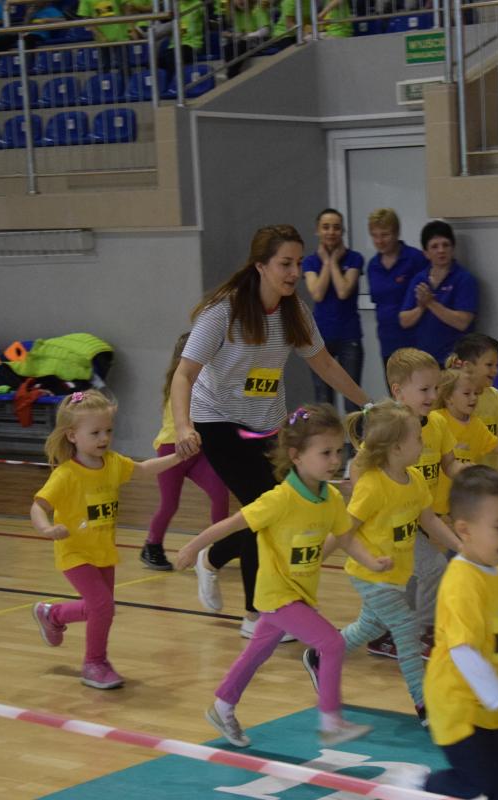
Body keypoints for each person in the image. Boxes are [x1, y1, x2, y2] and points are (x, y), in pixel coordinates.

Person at [170, 224, 368, 638]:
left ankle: (213, 557)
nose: (294, 273)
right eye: (285, 264)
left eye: (298, 263)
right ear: (260, 266)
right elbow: (184, 374)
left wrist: (367, 404)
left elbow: (325, 364)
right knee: (265, 511)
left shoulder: (295, 312)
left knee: (275, 509)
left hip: (266, 424)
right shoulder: (223, 312)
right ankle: (255, 615)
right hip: (218, 422)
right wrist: (184, 425)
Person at [174, 404, 383, 747]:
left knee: (255, 653)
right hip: (277, 595)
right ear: (296, 456)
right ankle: (331, 721)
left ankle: (222, 706)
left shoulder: (330, 497)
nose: (335, 460)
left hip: (299, 594)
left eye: (338, 451)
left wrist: (372, 563)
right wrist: (192, 548)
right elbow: (233, 524)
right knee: (331, 644)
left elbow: (346, 537)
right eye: (325, 452)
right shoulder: (279, 499)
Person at [303, 400, 462, 726]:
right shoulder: (372, 486)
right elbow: (345, 529)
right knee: (405, 629)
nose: (423, 443)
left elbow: (430, 521)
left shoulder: (415, 479)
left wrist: (461, 547)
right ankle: (423, 703)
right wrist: (313, 562)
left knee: (371, 626)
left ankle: (320, 656)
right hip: (368, 574)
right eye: (418, 438)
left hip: (396, 574)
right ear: (396, 447)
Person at [405, 466, 498, 799]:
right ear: (464, 530)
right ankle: (418, 785)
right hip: (457, 703)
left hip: (492, 699)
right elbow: (463, 650)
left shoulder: (496, 570)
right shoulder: (461, 582)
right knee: (475, 780)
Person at [30, 390, 183, 689]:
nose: (104, 438)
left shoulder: (112, 463)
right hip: (75, 552)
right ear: (72, 436)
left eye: (108, 431)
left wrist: (179, 456)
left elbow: (143, 470)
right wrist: (46, 529)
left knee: (99, 608)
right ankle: (94, 664)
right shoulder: (66, 475)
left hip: (103, 551)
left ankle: (53, 614)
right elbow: (39, 506)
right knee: (102, 606)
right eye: (95, 432)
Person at [363, 347, 464, 659]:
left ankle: (386, 634)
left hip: (420, 518)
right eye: (424, 389)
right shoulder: (387, 428)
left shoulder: (438, 424)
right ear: (398, 391)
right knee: (433, 568)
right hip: (390, 525)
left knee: (405, 580)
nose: (433, 395)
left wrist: (473, 476)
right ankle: (421, 631)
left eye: (436, 388)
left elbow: (450, 463)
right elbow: (361, 465)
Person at [141, 332, 230, 571]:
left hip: (197, 452)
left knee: (219, 492)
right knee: (169, 504)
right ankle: (151, 545)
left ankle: (221, 544)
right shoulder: (179, 385)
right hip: (172, 450)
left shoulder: (209, 383)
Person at [429, 368, 498, 518]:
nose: (473, 398)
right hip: (437, 497)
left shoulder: (476, 424)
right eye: (467, 393)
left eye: (476, 393)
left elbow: (495, 444)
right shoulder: (436, 419)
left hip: (462, 495)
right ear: (448, 398)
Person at [302, 208, 365, 412]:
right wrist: (327, 262)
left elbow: (344, 290)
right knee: (323, 401)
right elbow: (317, 294)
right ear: (317, 231)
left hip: (349, 336)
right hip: (320, 338)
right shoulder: (310, 262)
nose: (331, 232)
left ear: (343, 231)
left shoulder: (354, 258)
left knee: (353, 400)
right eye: (326, 227)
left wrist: (333, 263)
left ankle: (355, 435)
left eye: (336, 227)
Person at [399, 219, 478, 366]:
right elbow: (404, 320)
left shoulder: (464, 279)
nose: (441, 250)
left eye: (445, 245)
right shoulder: (419, 279)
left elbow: (462, 322)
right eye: (434, 246)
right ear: (426, 253)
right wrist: (421, 307)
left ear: (453, 248)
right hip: (425, 360)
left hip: (456, 361)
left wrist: (430, 303)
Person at [367, 208, 429, 367]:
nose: (379, 241)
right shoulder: (373, 265)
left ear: (396, 233)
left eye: (385, 235)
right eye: (375, 235)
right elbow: (378, 301)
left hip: (415, 339)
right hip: (387, 340)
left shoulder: (415, 259)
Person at [449, 333, 498, 471]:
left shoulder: (496, 397)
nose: (495, 370)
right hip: (461, 474)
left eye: (497, 365)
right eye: (489, 365)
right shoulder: (450, 397)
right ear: (467, 365)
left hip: (490, 473)